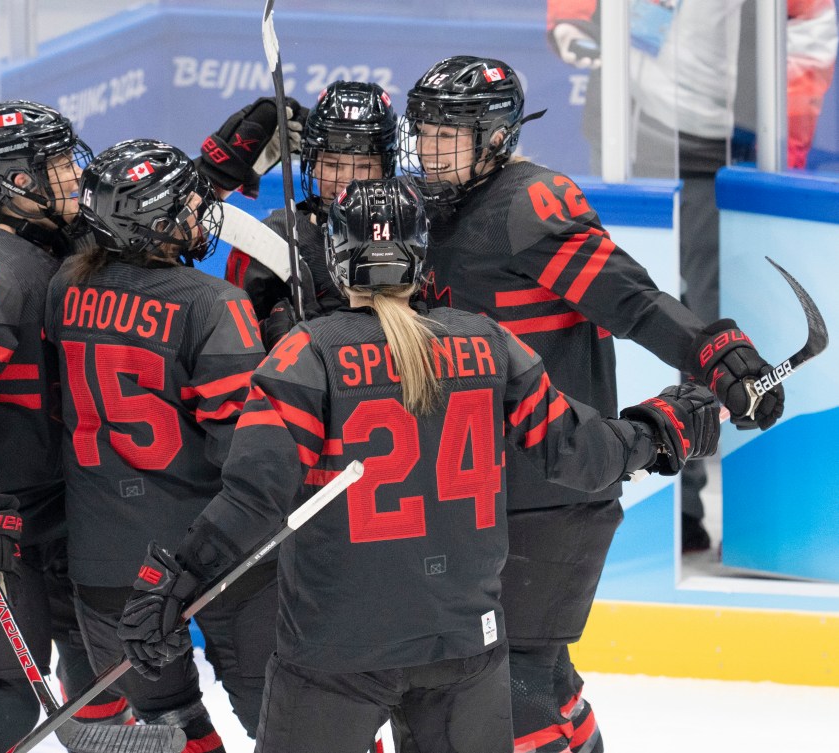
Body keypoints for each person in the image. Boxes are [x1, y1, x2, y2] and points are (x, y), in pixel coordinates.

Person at [113, 176, 719, 753]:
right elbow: (585, 457)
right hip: (464, 648)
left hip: (335, 653)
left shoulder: (306, 353)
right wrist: (662, 426)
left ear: (337, 255)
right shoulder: (488, 342)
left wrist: (175, 584)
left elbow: (252, 501)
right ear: (421, 254)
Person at [398, 56, 785, 753]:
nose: (429, 149)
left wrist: (719, 355)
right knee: (510, 675)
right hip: (478, 490)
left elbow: (633, 302)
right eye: (422, 132)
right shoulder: (432, 209)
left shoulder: (528, 206)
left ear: (494, 137)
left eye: (446, 134)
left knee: (521, 685)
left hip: (554, 488)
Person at [546, 0, 837, 550]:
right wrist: (576, 25)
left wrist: (776, 140)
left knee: (704, 326)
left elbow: (812, 34)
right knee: (624, 312)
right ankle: (666, 501)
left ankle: (696, 501)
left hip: (723, 149)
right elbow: (576, 13)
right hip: (630, 139)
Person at [0, 100, 132, 753]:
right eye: (57, 165)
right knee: (4, 704)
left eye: (69, 158)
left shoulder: (62, 241)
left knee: (105, 680)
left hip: (62, 509)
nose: (73, 175)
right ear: (17, 185)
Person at [44, 138, 269, 748]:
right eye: (188, 207)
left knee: (173, 724)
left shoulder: (65, 287)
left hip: (107, 565)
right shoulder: (216, 304)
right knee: (291, 723)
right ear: (154, 224)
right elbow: (246, 453)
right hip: (215, 555)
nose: (199, 216)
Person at [220, 81, 398, 344]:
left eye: (363, 166)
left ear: (385, 169)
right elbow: (233, 349)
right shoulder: (269, 239)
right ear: (312, 165)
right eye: (331, 164)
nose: (346, 180)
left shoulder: (412, 233)